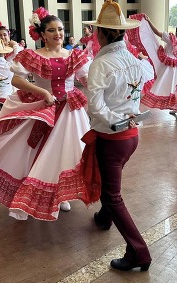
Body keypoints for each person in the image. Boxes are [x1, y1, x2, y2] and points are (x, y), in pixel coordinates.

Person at [0, 7, 92, 221]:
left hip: (71, 111)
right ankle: (46, 190)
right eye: (52, 30)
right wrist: (42, 91)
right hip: (44, 109)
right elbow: (16, 80)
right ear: (42, 34)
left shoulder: (74, 55)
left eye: (61, 29)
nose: (58, 34)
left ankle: (61, 194)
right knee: (42, 150)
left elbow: (86, 80)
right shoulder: (33, 55)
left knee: (69, 150)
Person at [82, 0, 154, 271]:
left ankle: (139, 253)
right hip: (132, 137)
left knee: (113, 195)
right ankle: (104, 217)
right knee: (110, 184)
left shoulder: (101, 64)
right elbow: (145, 82)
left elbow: (96, 107)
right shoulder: (135, 60)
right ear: (122, 32)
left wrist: (116, 121)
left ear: (100, 32)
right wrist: (127, 114)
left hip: (113, 138)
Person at [127, 14, 177, 116]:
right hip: (173, 67)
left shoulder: (171, 38)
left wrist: (149, 21)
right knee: (173, 87)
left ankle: (174, 106)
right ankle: (175, 107)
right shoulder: (171, 38)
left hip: (169, 67)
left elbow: (157, 32)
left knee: (166, 86)